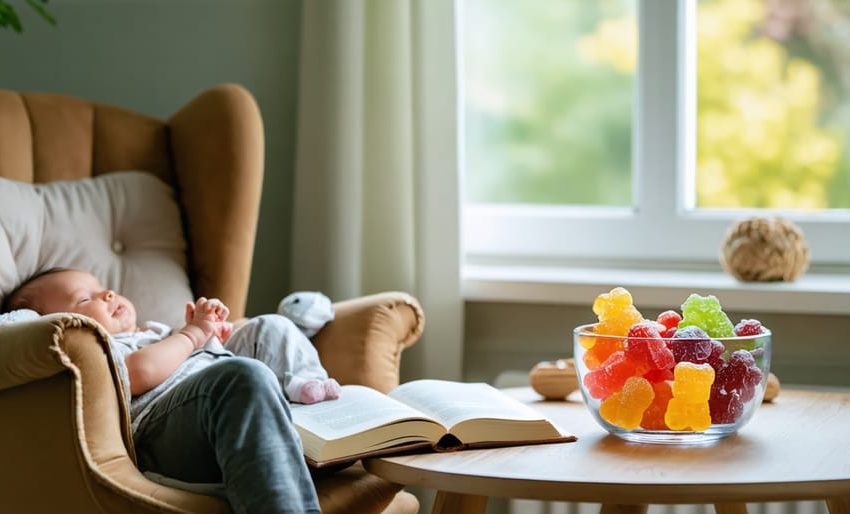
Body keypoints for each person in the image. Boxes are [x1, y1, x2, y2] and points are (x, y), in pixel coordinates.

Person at [2, 267, 335, 514]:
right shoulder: (104, 348)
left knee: (270, 326)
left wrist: (210, 335)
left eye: (104, 288)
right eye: (85, 298)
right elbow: (141, 372)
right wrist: (191, 335)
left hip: (213, 399)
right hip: (160, 429)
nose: (108, 295)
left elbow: (200, 362)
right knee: (243, 377)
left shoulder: (155, 332)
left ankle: (311, 395)